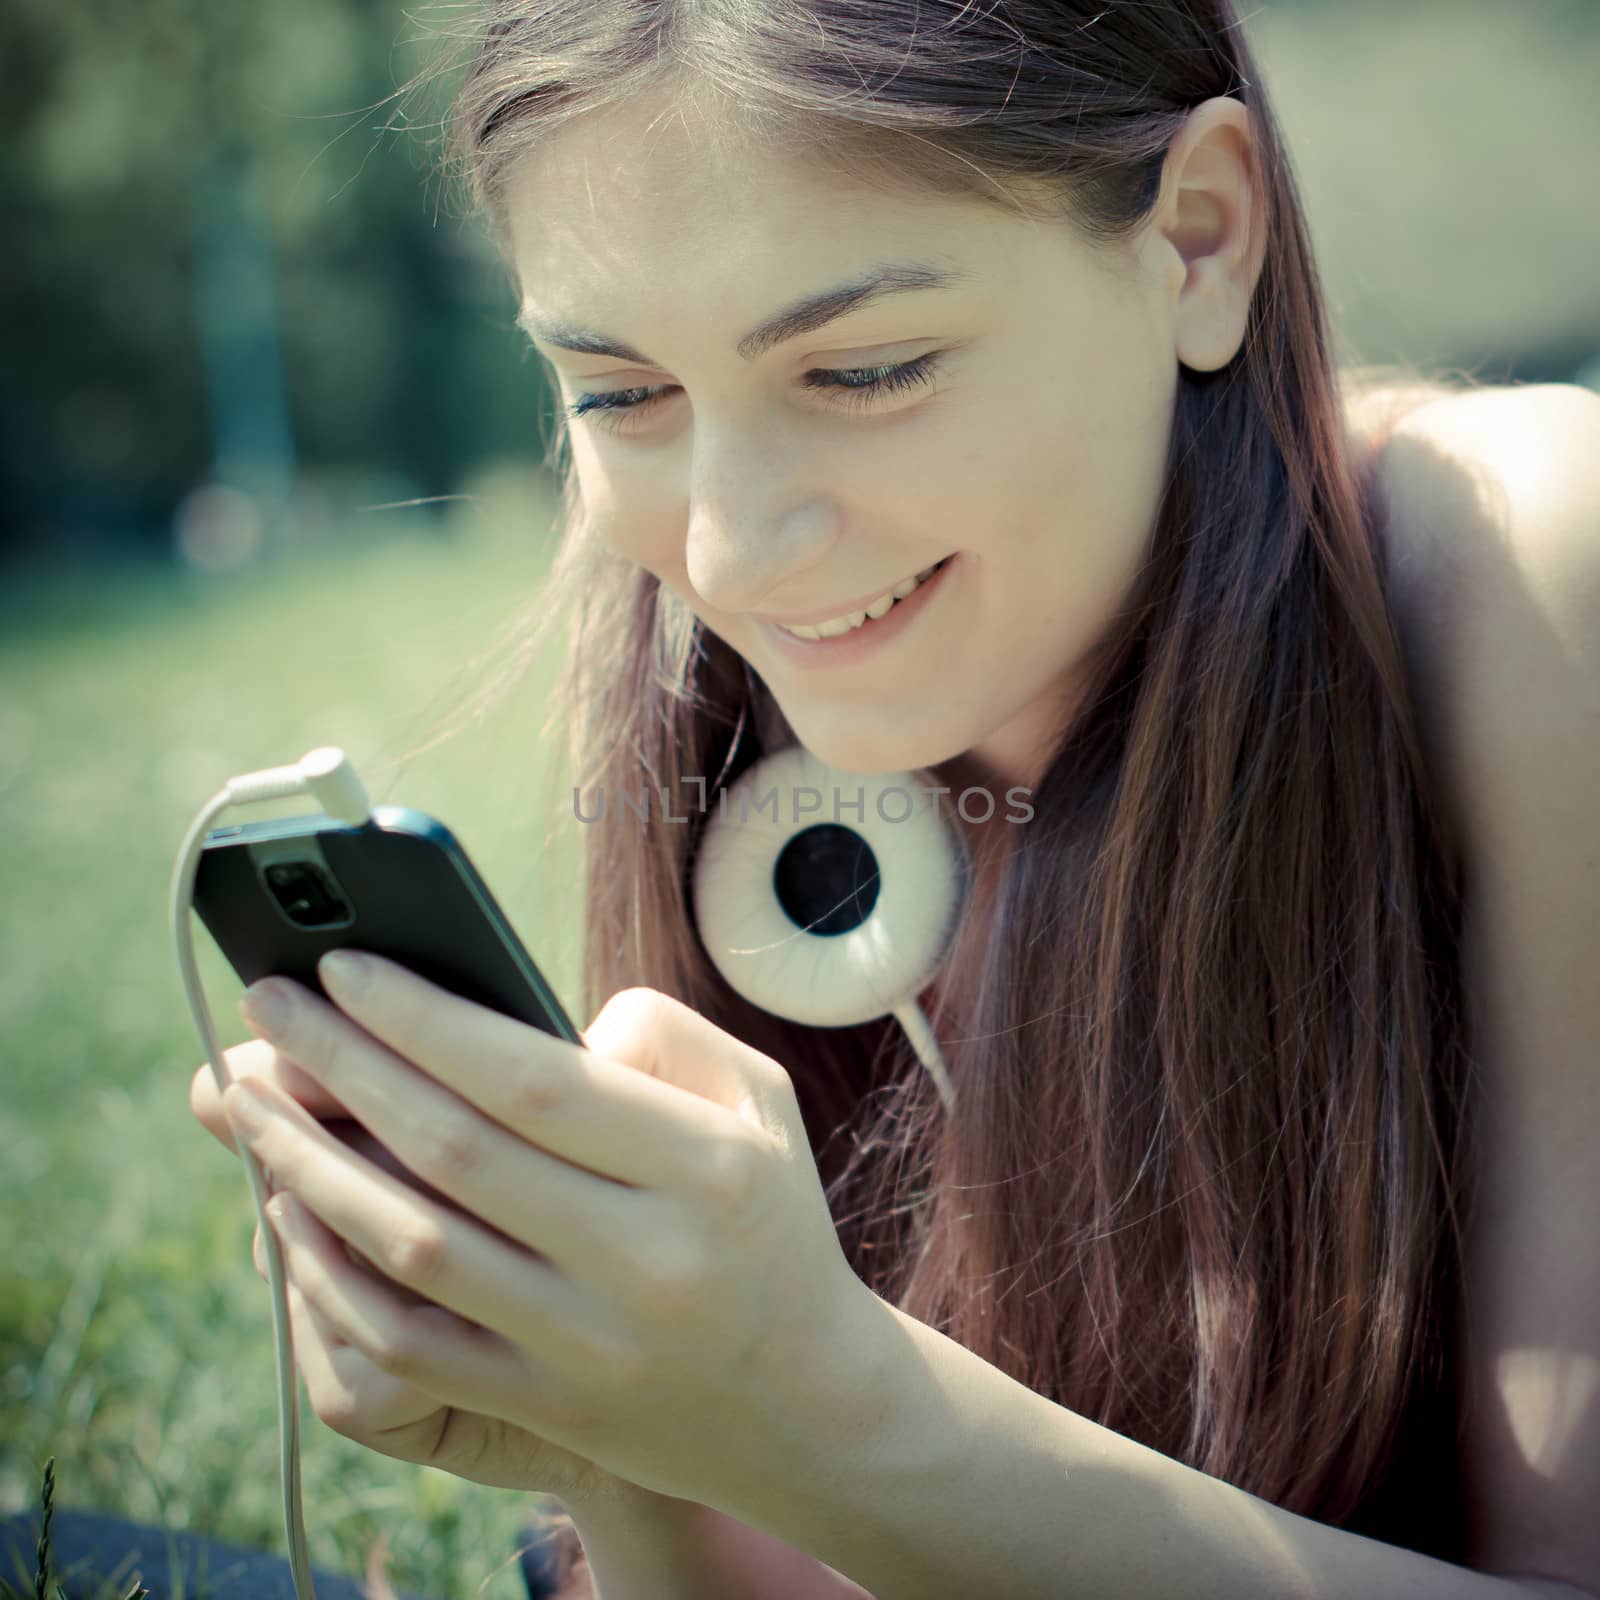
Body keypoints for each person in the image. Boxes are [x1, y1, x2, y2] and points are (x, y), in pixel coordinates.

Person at [183, 2, 1600, 1597]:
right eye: (617, 395)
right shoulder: (695, 672)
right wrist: (630, 1449)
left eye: (864, 369)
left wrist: (823, 1410)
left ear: (1198, 240)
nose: (728, 548)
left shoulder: (1527, 566)